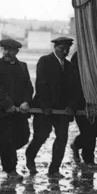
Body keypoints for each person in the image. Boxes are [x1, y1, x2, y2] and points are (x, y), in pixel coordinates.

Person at [25, 36, 75, 179]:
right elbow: (41, 84)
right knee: (41, 136)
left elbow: (72, 88)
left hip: (62, 111)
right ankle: (30, 157)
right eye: (61, 48)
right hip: (43, 108)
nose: (65, 51)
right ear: (55, 47)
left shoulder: (69, 66)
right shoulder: (45, 61)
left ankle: (54, 170)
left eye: (67, 49)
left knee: (62, 138)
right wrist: (45, 106)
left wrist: (71, 106)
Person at [0, 39, 34, 182]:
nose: (6, 52)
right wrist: (8, 105)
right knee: (6, 140)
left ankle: (4, 151)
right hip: (3, 112)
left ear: (17, 51)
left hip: (20, 111)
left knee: (23, 137)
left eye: (10, 50)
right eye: (4, 49)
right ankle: (11, 170)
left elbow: (28, 87)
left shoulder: (22, 66)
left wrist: (26, 101)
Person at [69, 50, 97, 167]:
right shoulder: (79, 55)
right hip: (82, 101)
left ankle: (76, 144)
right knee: (89, 131)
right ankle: (88, 159)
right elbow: (74, 81)